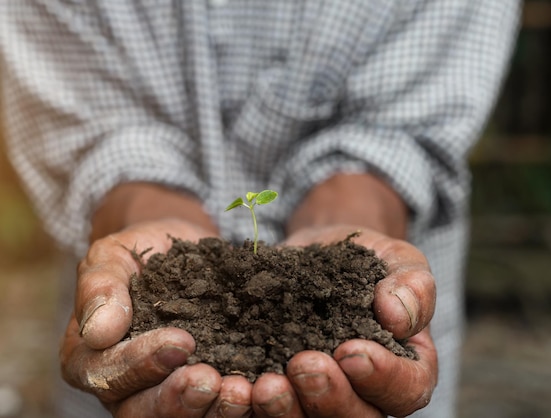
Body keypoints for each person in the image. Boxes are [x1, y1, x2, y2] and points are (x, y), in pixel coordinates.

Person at [0, 1, 520, 417]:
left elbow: (408, 116)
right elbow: (88, 116)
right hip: (139, 390)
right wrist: (136, 214)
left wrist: (352, 218)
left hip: (368, 381)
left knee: (359, 367)